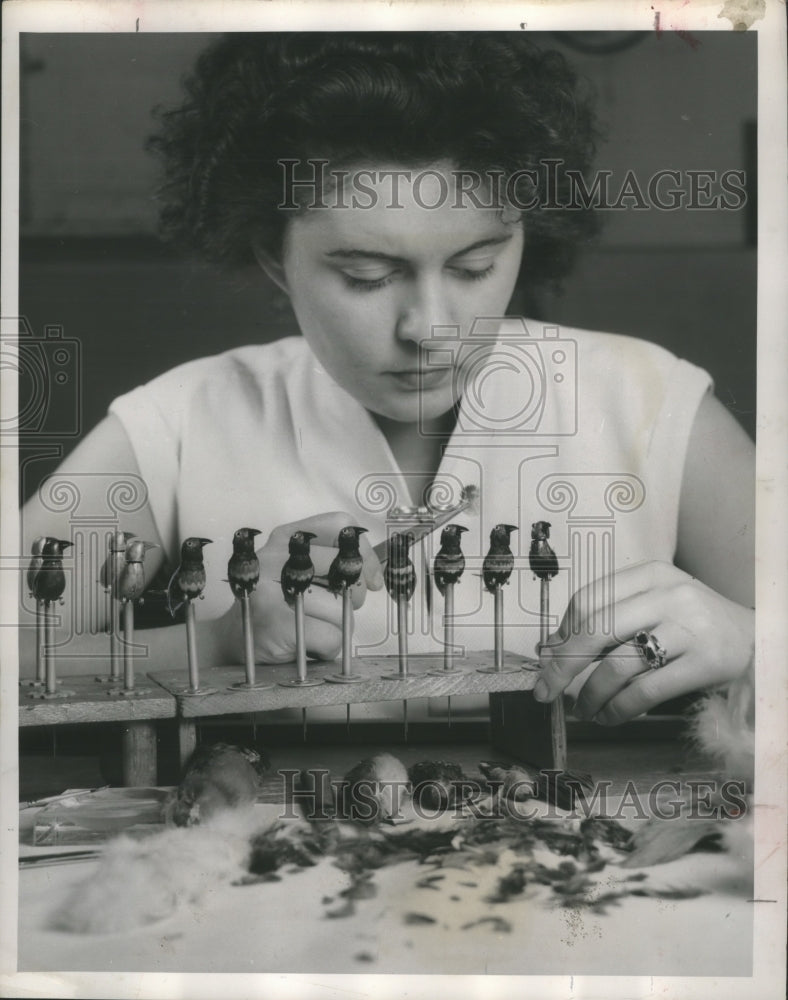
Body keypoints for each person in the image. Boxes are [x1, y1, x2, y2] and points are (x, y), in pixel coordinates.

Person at [20, 33, 754, 726]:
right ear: (276, 258)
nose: (430, 328)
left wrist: (751, 643)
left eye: (474, 267)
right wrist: (213, 643)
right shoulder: (182, 421)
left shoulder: (650, 400)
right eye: (368, 277)